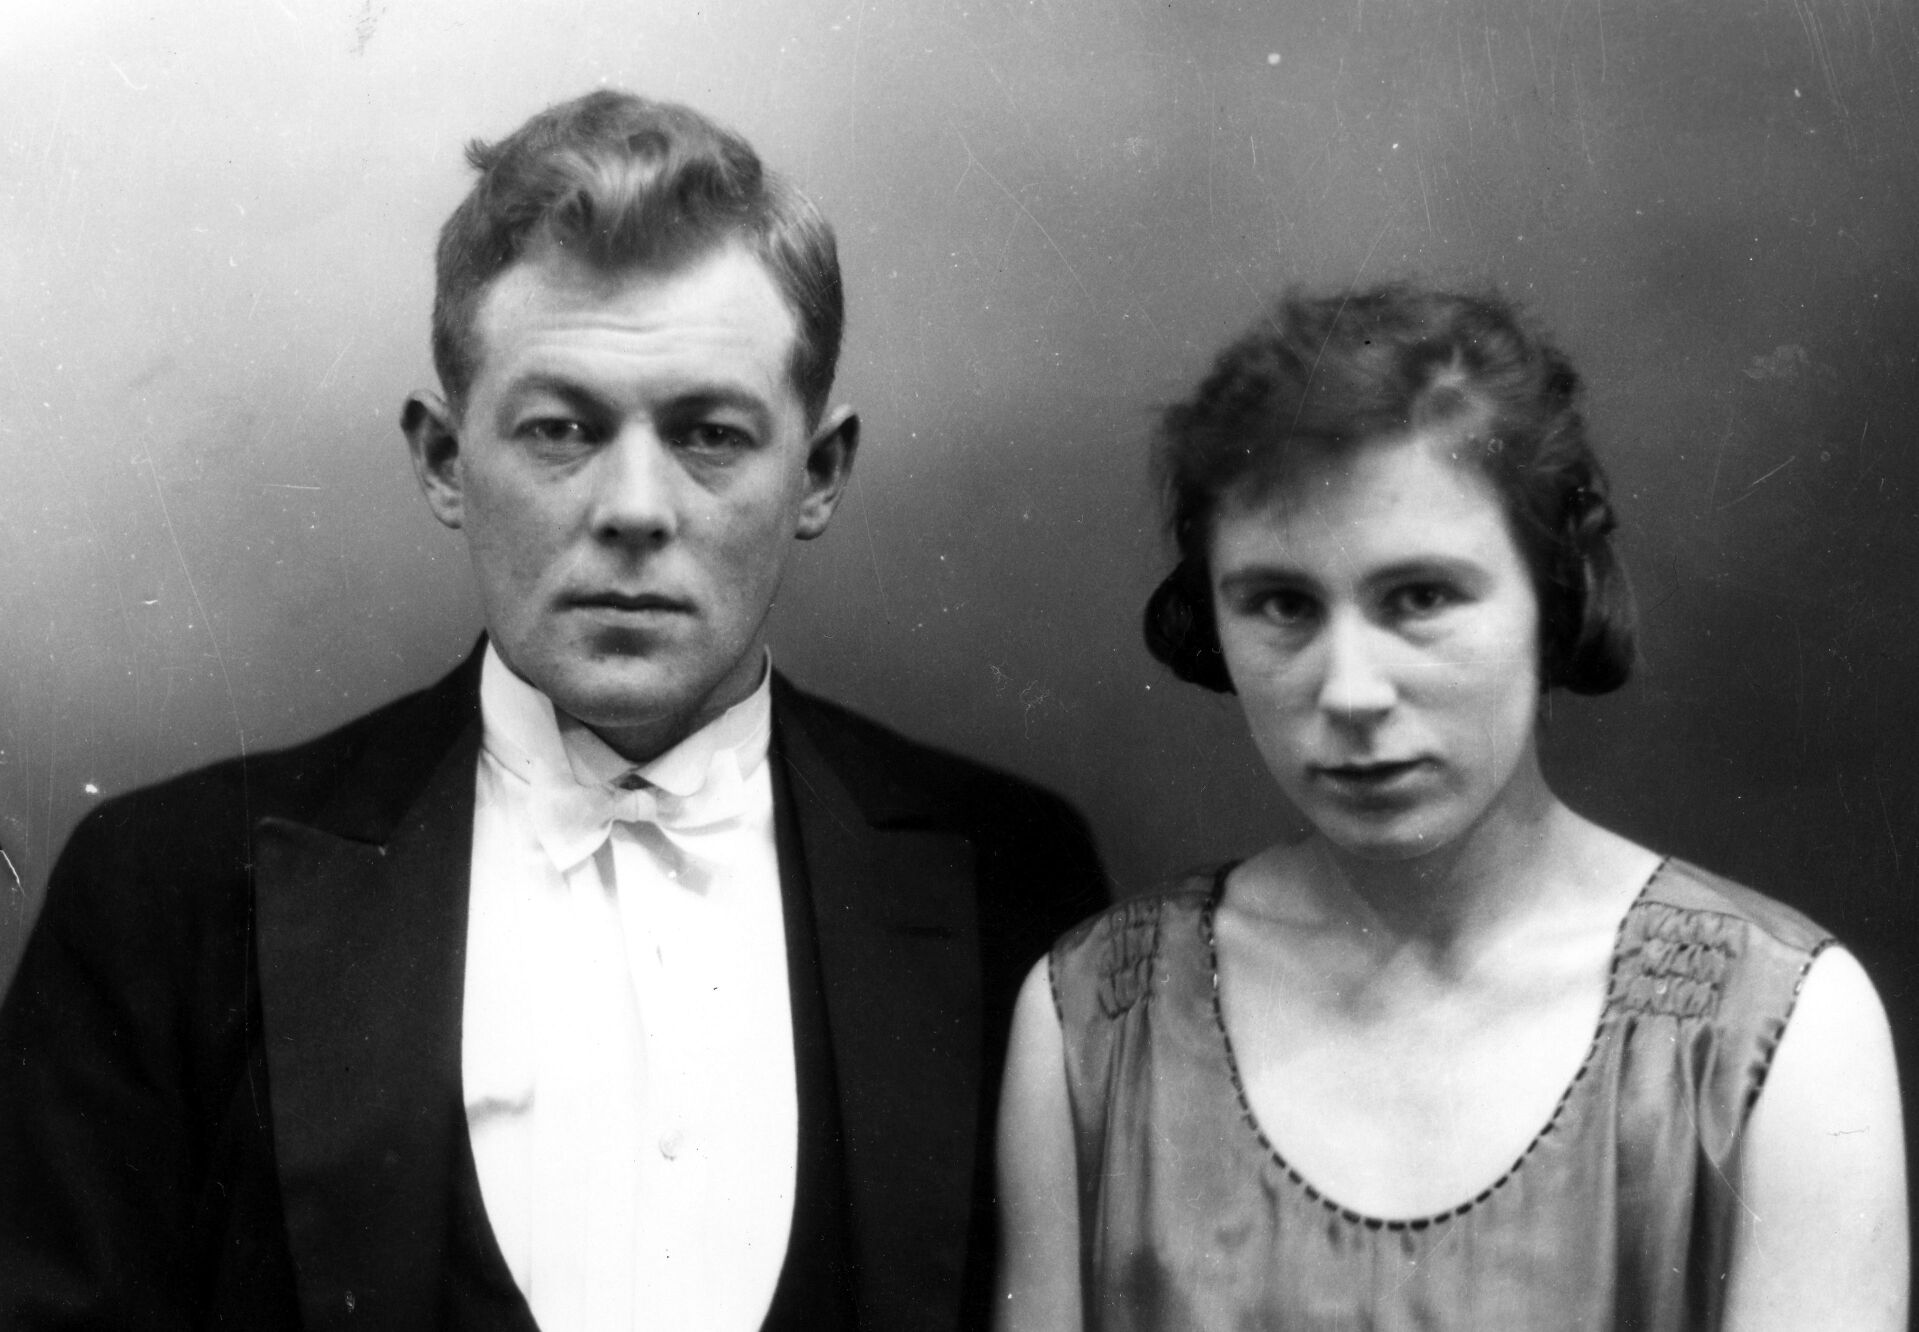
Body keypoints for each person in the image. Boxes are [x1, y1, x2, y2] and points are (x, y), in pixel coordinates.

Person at [0, 90, 1105, 1331]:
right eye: (561, 429)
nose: (633, 507)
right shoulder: (166, 896)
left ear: (819, 472)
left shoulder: (1011, 877)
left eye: (709, 434)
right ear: (443, 460)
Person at [995, 283, 1907, 1330]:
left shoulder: (1776, 1031)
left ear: (1553, 594)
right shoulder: (1092, 1024)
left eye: (1420, 597)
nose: (1350, 691)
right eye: (1281, 604)